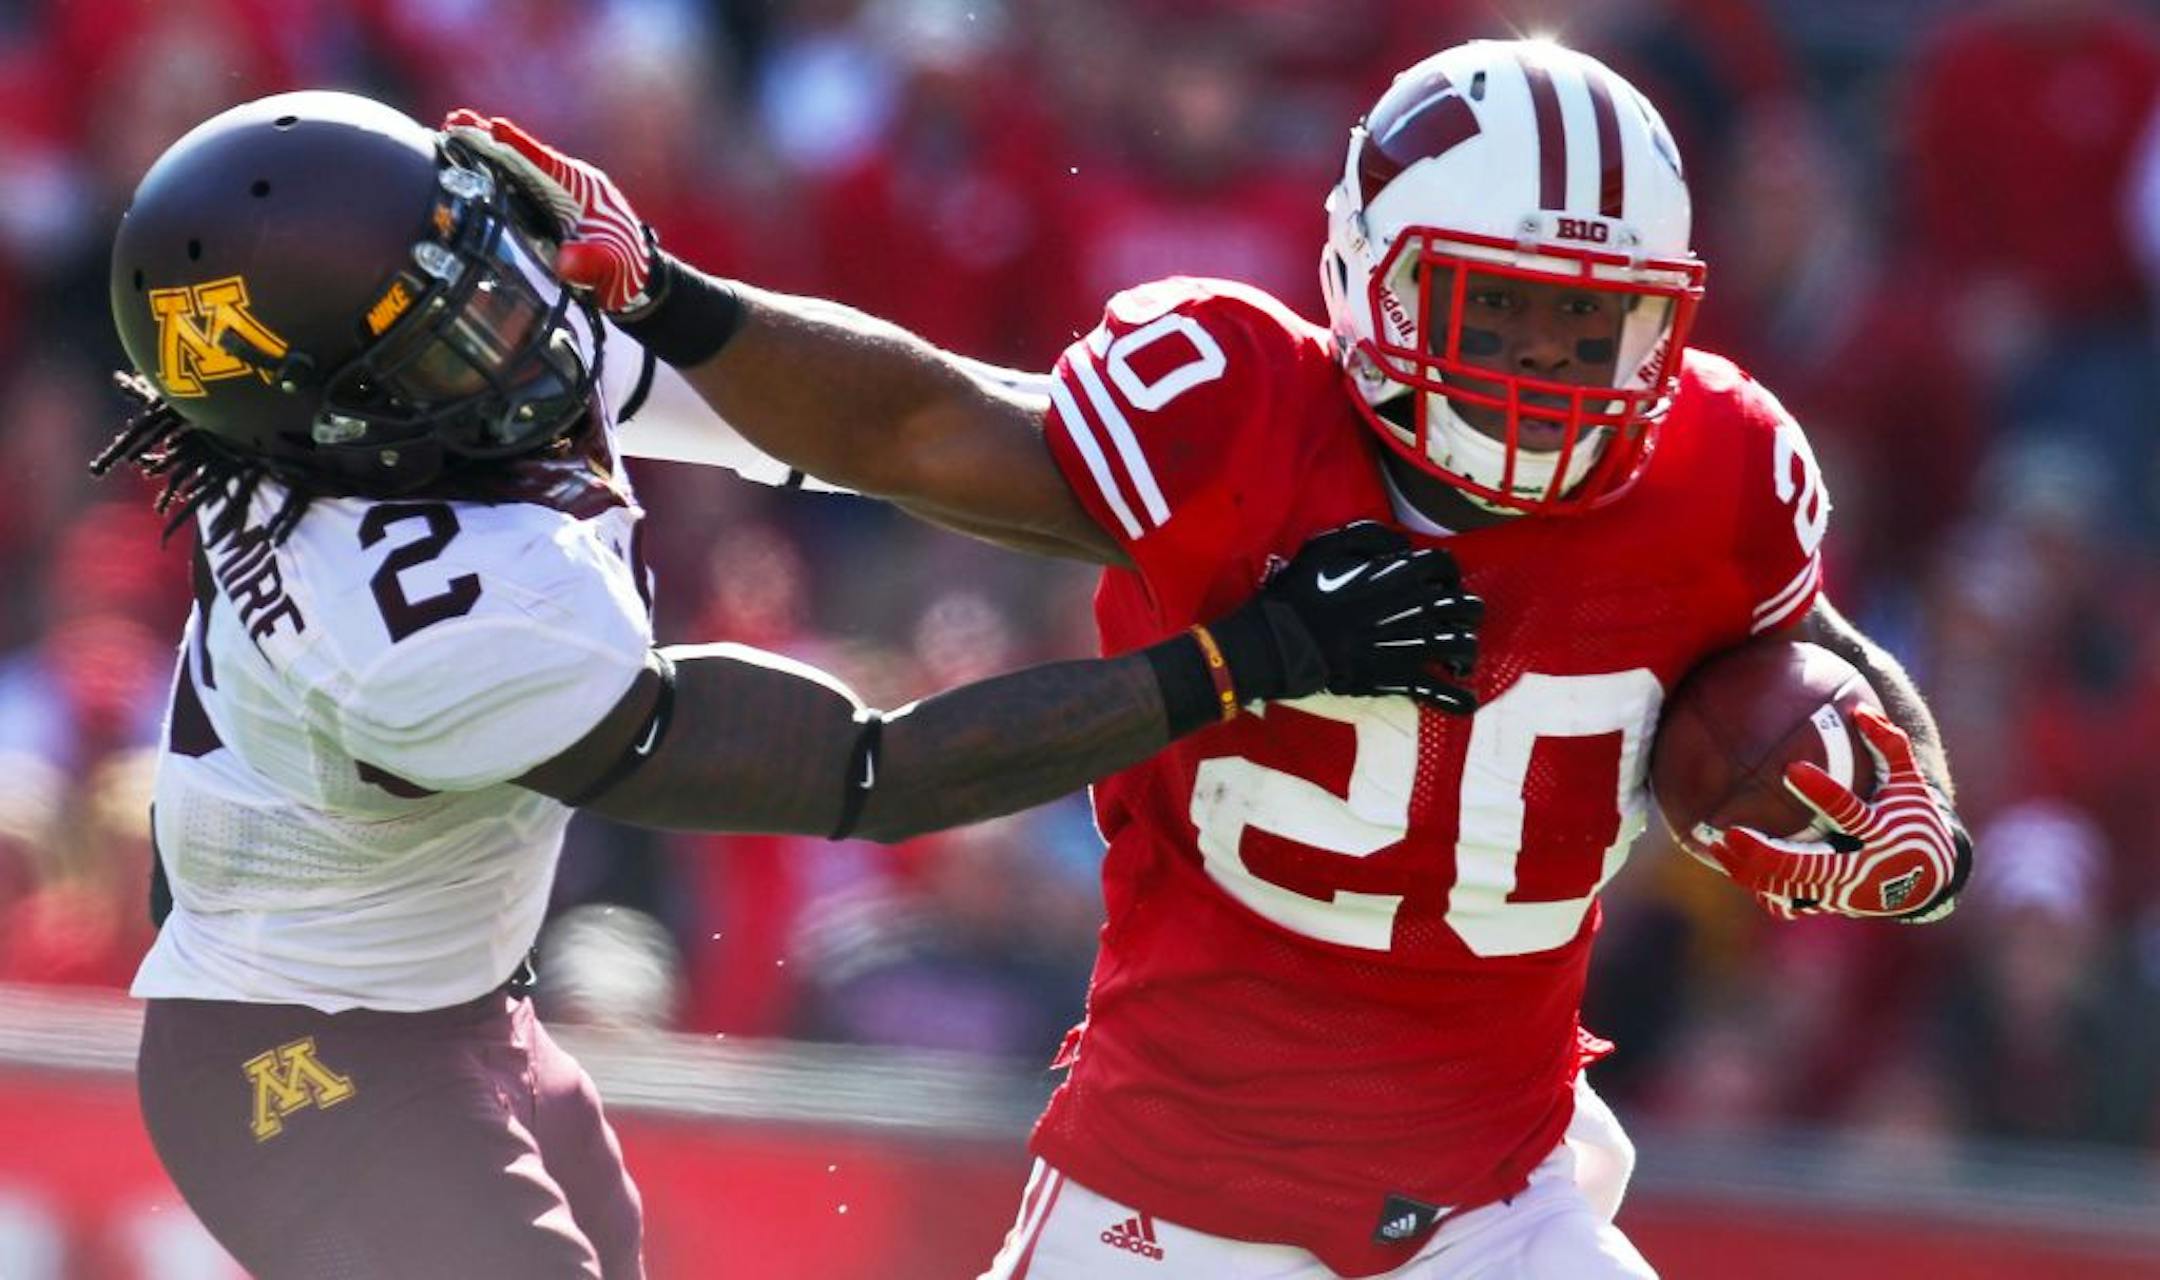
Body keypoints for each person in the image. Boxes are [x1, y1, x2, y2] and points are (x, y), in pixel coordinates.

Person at [451, 35, 1976, 1279]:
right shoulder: (1239, 408)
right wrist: (670, 303)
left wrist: (1910, 816)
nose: (1544, 374)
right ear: (1375, 275)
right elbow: (921, 425)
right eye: (1498, 313)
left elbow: (1812, 648)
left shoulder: (1718, 465)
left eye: (1593, 330)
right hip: (1173, 1207)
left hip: (1496, 1198)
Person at [99, 91, 1488, 1280]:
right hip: (304, 1069)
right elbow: (874, 772)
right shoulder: (428, 627)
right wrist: (1248, 661)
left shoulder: (376, 410)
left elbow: (886, 434)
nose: (524, 328)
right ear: (345, 421)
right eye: (458, 337)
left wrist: (1214, 487)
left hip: (456, 1009)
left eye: (485, 266)